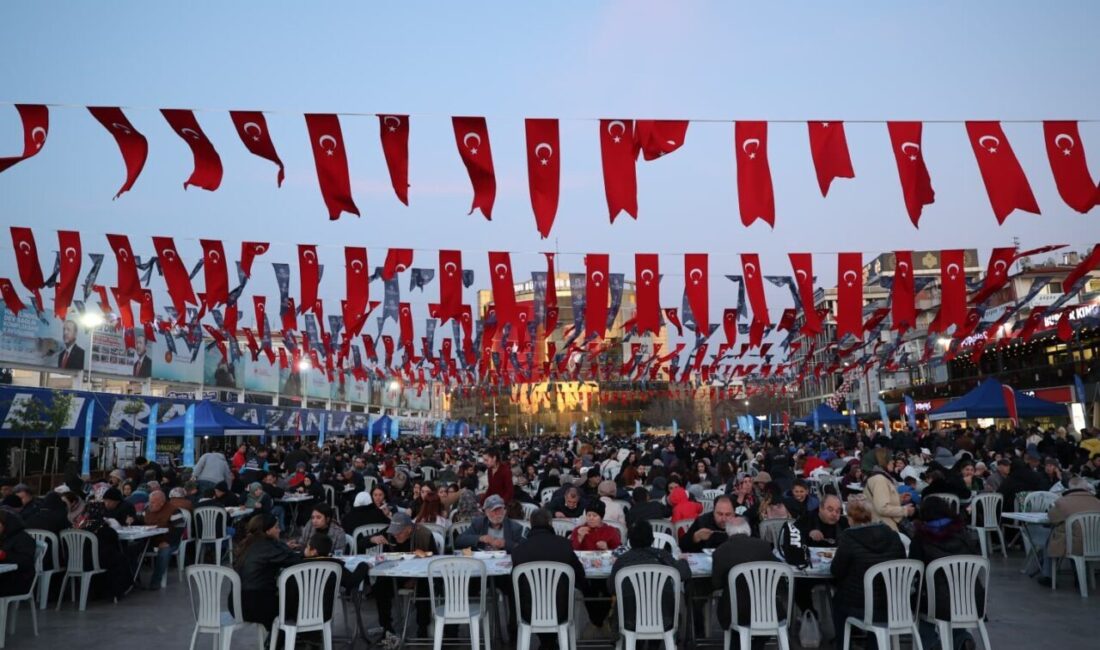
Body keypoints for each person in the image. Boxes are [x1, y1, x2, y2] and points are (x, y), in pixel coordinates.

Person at [830, 497, 907, 649]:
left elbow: (836, 571)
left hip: (861, 607)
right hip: (893, 605)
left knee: (837, 601)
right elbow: (901, 564)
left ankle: (843, 645)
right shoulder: (892, 534)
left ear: (850, 518)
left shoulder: (849, 538)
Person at [909, 497, 981, 650]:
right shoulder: (963, 533)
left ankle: (931, 645)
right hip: (970, 599)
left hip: (936, 603)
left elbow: (915, 571)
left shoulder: (921, 538)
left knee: (922, 610)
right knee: (955, 604)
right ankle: (962, 640)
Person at [511, 509, 588, 650]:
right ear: (550, 523)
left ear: (531, 524)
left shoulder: (519, 549)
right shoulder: (564, 545)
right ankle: (550, 643)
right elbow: (580, 575)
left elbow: (515, 583)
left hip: (530, 612)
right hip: (561, 610)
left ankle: (546, 642)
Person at [609, 521, 690, 634]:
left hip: (629, 620)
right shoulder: (663, 555)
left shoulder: (622, 560)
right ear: (652, 540)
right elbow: (684, 574)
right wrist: (682, 560)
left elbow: (612, 588)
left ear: (630, 542)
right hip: (664, 617)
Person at [366, 512, 436, 636]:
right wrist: (372, 539)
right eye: (394, 531)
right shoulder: (390, 533)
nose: (395, 535)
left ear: (409, 529)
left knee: (424, 586)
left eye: (399, 532)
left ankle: (422, 626)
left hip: (420, 573)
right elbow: (362, 542)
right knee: (379, 585)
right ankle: (386, 627)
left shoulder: (424, 534)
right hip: (396, 573)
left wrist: (415, 578)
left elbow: (433, 560)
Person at [234, 513, 300, 641]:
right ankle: (288, 638)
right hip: (255, 605)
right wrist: (282, 545)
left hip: (236, 603)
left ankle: (277, 638)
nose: (279, 530)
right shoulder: (268, 546)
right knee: (291, 600)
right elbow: (294, 560)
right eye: (276, 527)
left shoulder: (246, 544)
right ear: (268, 531)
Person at [779, 494, 847, 617]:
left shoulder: (843, 523)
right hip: (810, 572)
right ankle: (810, 615)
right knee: (798, 583)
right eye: (830, 509)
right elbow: (794, 541)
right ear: (820, 508)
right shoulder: (807, 519)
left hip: (836, 570)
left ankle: (842, 618)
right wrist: (808, 533)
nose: (834, 514)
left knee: (851, 582)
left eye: (838, 511)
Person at [711, 516, 776, 639]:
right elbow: (778, 569)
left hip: (735, 612)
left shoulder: (720, 552)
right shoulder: (764, 546)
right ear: (748, 530)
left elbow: (716, 584)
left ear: (728, 532)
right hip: (767, 610)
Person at [1037, 477, 1100, 586]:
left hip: (1073, 546)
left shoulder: (1061, 502)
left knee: (1055, 536)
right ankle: (1081, 576)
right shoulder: (1097, 502)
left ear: (1069, 488)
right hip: (1095, 544)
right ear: (1086, 488)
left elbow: (1051, 519)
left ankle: (1048, 575)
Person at [570, 500, 620, 635]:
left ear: (601, 517)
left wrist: (607, 547)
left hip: (605, 572)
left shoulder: (610, 531)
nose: (591, 518)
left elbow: (618, 551)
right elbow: (573, 553)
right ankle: (596, 620)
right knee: (587, 590)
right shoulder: (578, 530)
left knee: (607, 589)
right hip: (585, 572)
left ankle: (599, 619)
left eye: (595, 516)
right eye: (589, 515)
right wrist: (579, 538)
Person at [140, 489, 181, 589]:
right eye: (150, 501)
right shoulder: (147, 510)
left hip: (168, 541)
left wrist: (167, 541)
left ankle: (155, 581)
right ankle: (134, 580)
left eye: (153, 502)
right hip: (149, 540)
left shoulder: (174, 510)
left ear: (162, 503)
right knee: (131, 549)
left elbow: (179, 529)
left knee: (164, 551)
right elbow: (140, 523)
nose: (150, 504)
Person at [455, 494, 526, 552]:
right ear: (486, 512)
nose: (498, 514)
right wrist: (481, 538)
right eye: (494, 511)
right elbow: (459, 540)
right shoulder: (479, 523)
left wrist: (506, 544)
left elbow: (524, 548)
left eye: (500, 510)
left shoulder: (514, 527)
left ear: (504, 511)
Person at [864, 460, 913, 531]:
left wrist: (899, 498)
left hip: (884, 525)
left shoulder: (880, 477)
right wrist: (905, 510)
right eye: (890, 461)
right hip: (886, 526)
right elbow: (882, 508)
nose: (893, 463)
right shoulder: (879, 479)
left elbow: (881, 500)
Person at [0, 510, 37, 597]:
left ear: (5, 524)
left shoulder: (22, 538)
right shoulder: (3, 536)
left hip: (18, 580)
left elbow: (26, 561)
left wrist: (4, 555)